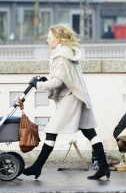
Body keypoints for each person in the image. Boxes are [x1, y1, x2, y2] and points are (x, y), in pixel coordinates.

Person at [22, 24, 110, 180]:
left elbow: (58, 82)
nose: (47, 40)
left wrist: (39, 85)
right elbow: (62, 77)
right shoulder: (68, 53)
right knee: (89, 131)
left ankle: (37, 167)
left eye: (49, 38)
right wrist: (45, 80)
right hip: (78, 95)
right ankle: (103, 167)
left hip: (70, 98)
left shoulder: (62, 56)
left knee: (51, 131)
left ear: (58, 38)